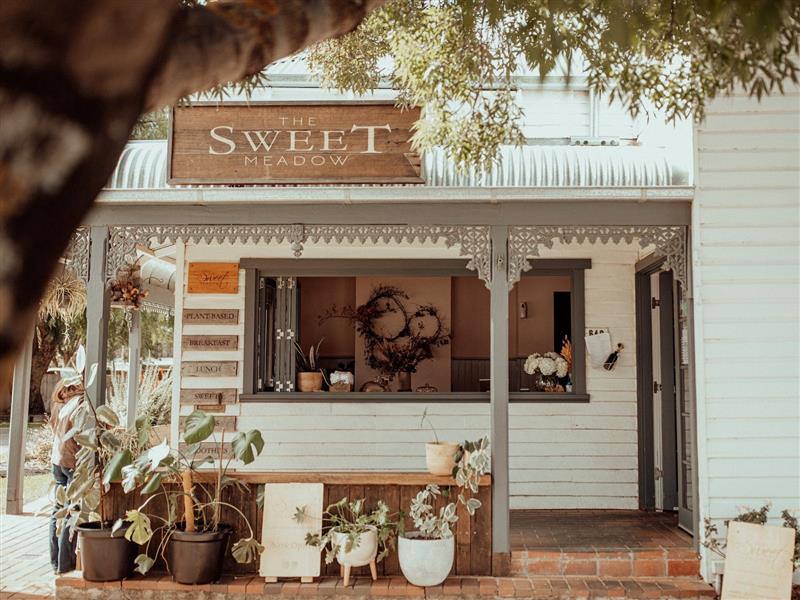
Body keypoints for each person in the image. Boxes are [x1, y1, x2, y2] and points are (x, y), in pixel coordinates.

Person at [48, 379, 83, 574]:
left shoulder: (59, 405)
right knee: (71, 511)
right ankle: (65, 564)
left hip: (57, 461)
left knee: (58, 510)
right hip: (72, 462)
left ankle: (55, 562)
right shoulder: (79, 405)